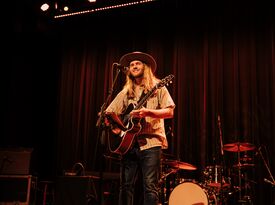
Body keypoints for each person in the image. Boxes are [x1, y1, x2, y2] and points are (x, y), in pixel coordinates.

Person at [104, 51, 175, 205]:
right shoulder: (126, 91)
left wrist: (148, 112)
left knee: (150, 187)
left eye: (138, 63)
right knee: (125, 186)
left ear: (146, 67)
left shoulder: (158, 87)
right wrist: (115, 126)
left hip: (151, 143)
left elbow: (170, 111)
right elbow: (110, 111)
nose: (134, 66)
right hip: (129, 145)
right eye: (131, 65)